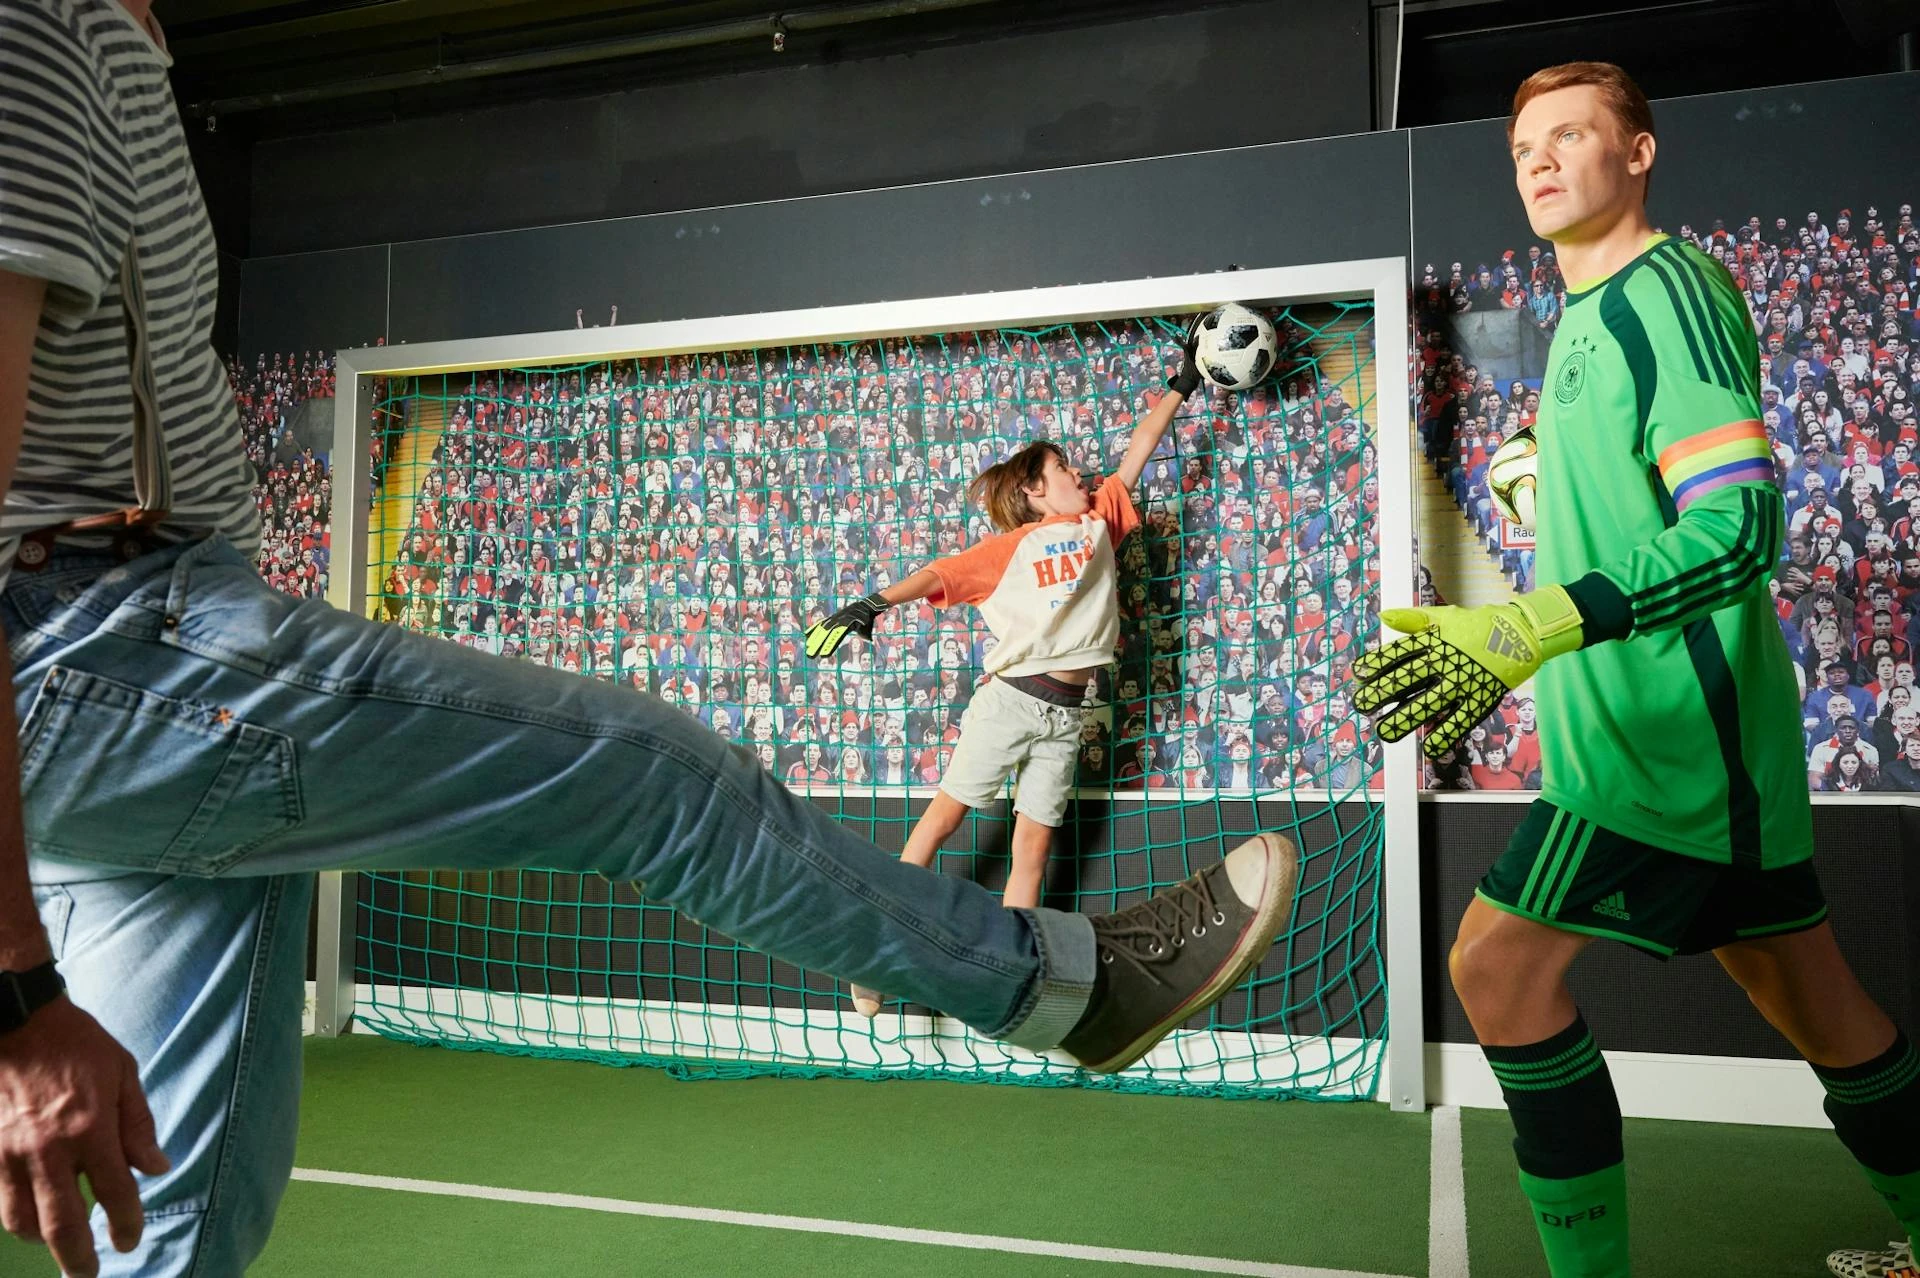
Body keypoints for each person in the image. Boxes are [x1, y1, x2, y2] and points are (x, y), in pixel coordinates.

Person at [0, 5, 1300, 1276]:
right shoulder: (38, 27)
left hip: (132, 666)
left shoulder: (118, 39)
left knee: (177, 1206)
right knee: (654, 779)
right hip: (111, 648)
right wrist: (11, 996)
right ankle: (1063, 985)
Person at [1352, 62, 1918, 1278]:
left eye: (1572, 135)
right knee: (1816, 1007)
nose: (1542, 160)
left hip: (1663, 745)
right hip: (1690, 743)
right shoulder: (1591, 320)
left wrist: (1526, 629)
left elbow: (1739, 527)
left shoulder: (1662, 292)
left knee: (1495, 970)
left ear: (1639, 152)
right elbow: (1626, 484)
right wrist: (1531, 474)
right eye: (1523, 148)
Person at [805, 323, 1205, 1016]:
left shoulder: (1100, 519)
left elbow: (1141, 447)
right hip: (1010, 703)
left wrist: (1183, 384)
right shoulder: (1008, 549)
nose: (1080, 475)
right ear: (1035, 491)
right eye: (1064, 472)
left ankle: (1005, 984)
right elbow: (937, 572)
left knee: (1032, 848)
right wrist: (875, 603)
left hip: (1066, 716)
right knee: (941, 821)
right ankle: (876, 947)